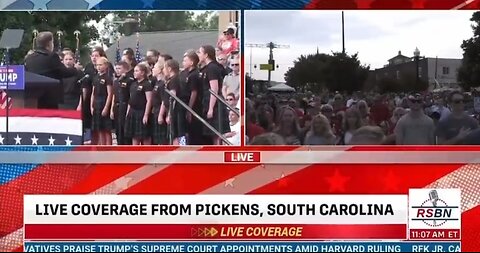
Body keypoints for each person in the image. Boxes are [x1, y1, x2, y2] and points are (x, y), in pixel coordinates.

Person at [25, 31, 80, 109]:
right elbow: (63, 72)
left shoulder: (29, 58)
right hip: (49, 97)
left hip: (32, 98)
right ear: (49, 43)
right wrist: (75, 69)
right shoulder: (52, 56)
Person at [197, 45, 230, 145]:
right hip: (207, 101)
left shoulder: (212, 68)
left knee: (216, 133)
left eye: (200, 52)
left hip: (215, 104)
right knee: (211, 134)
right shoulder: (207, 68)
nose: (198, 55)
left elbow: (214, 89)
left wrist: (211, 108)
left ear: (206, 55)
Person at [125, 63, 153, 145]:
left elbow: (149, 100)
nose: (134, 73)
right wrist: (128, 113)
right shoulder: (133, 84)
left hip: (142, 112)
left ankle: (147, 155)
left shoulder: (147, 84)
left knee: (145, 136)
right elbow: (130, 100)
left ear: (143, 72)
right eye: (134, 71)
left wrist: (146, 115)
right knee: (134, 135)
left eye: (137, 71)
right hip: (132, 112)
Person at [180, 50, 203, 145]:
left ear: (192, 62)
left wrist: (189, 109)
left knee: (194, 130)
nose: (183, 62)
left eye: (185, 61)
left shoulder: (194, 75)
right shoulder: (186, 73)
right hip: (186, 103)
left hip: (194, 106)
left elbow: (194, 92)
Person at [90, 57, 114, 145]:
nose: (98, 67)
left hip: (103, 103)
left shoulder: (108, 78)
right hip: (96, 104)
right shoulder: (95, 78)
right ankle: (102, 147)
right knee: (99, 128)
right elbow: (93, 93)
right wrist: (91, 106)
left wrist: (106, 108)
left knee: (106, 129)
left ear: (106, 65)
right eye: (97, 65)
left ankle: (108, 148)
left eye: (100, 65)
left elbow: (110, 94)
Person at [162, 59, 186, 145]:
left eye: (164, 68)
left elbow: (173, 97)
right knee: (176, 133)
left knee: (176, 133)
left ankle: (179, 151)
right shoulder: (175, 79)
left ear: (169, 68)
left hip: (176, 111)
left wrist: (170, 114)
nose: (163, 71)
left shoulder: (174, 80)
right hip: (177, 111)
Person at [111, 61, 134, 145]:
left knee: (125, 129)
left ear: (125, 69)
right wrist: (111, 110)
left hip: (125, 106)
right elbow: (114, 96)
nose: (117, 70)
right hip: (117, 106)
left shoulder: (129, 80)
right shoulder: (116, 81)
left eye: (119, 68)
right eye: (116, 68)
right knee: (118, 129)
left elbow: (131, 96)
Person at [151, 62, 168, 145]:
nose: (152, 69)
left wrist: (161, 115)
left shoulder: (162, 84)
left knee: (162, 137)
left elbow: (164, 101)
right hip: (155, 110)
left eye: (155, 67)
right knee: (157, 138)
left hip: (160, 111)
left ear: (160, 70)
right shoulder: (157, 83)